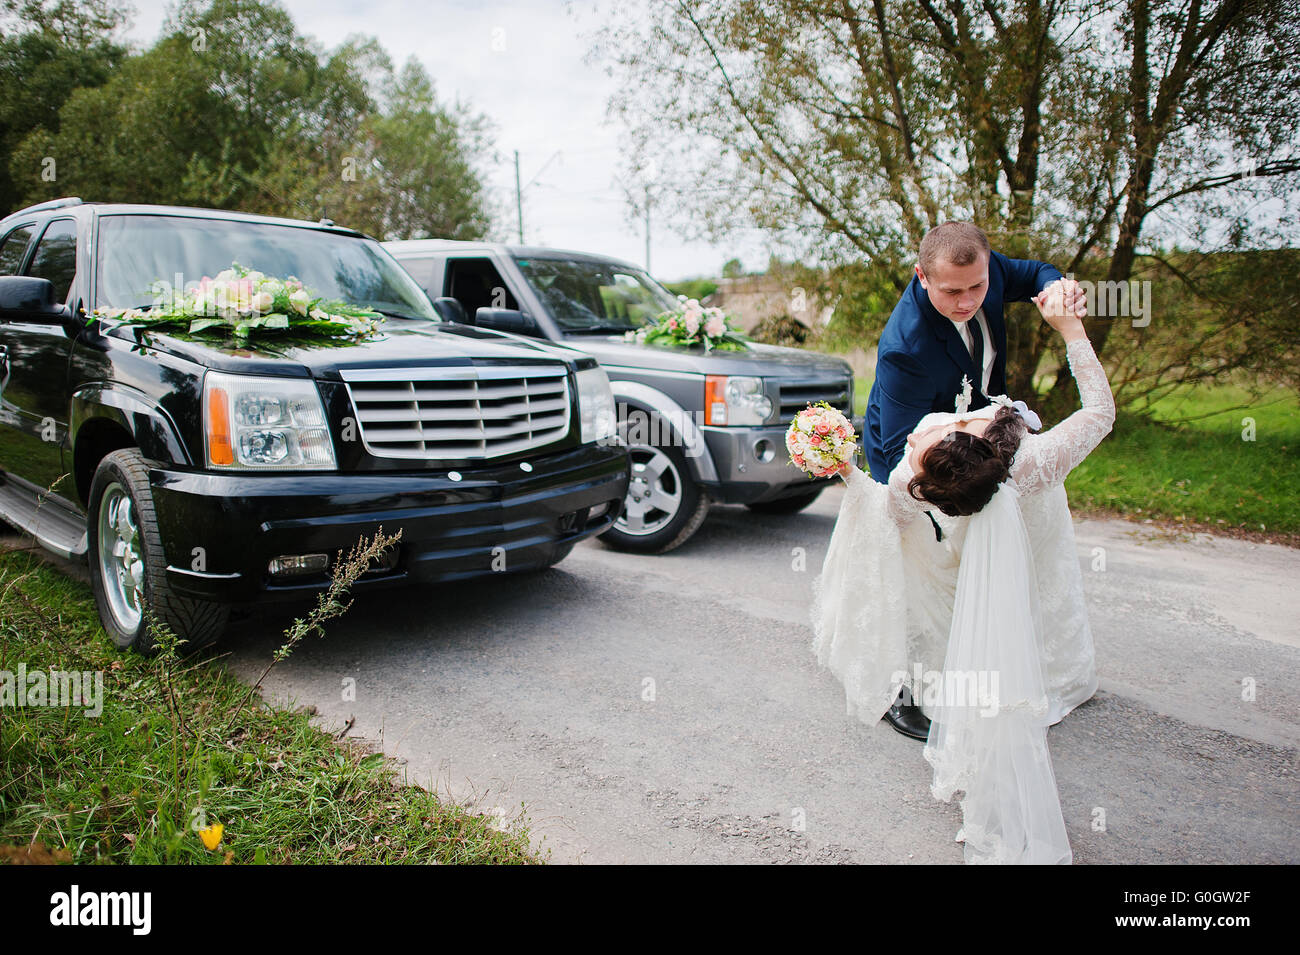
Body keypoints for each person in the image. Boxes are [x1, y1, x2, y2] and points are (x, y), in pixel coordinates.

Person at [809, 280, 1115, 864]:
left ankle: (1028, 675)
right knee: (1030, 591)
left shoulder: (919, 480)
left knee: (1012, 593)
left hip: (1009, 527)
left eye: (922, 441)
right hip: (1027, 522)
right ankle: (1039, 675)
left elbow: (887, 513)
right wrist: (1072, 332)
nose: (917, 436)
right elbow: (1100, 412)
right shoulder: (1035, 458)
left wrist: (847, 471)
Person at [864, 221, 1086, 738]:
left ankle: (980, 658)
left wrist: (1057, 288)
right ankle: (900, 686)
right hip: (917, 458)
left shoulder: (985, 269)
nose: (967, 302)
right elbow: (902, 454)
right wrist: (960, 488)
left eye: (977, 288)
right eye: (951, 292)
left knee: (974, 561)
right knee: (918, 563)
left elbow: (1035, 272)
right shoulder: (904, 348)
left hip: (978, 441)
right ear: (922, 276)